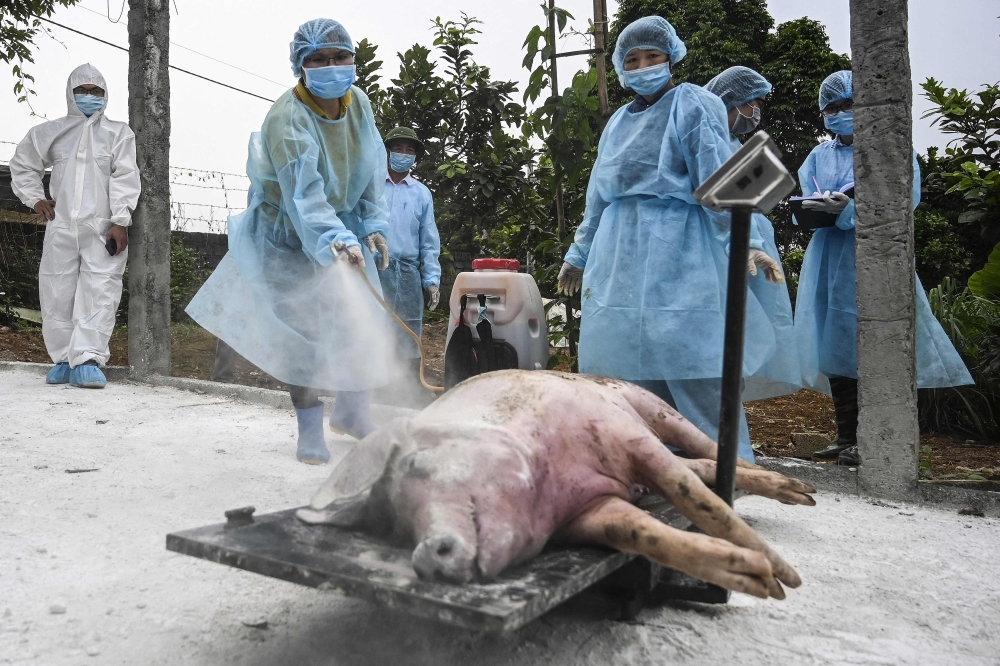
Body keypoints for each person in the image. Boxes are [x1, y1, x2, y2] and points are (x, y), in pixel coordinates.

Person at [556, 17, 788, 463]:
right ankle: (649, 473)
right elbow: (598, 194)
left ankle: (727, 474)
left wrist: (748, 239)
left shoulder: (693, 103)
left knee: (696, 365)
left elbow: (720, 174)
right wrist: (579, 252)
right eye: (633, 60)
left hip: (681, 249)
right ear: (622, 69)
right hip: (619, 254)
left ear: (671, 57)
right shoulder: (618, 122)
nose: (643, 66)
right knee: (625, 375)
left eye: (652, 57)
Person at [186, 19, 392, 465]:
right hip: (288, 236)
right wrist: (336, 238)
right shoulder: (287, 119)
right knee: (304, 333)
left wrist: (373, 222)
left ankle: (354, 415)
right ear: (300, 66)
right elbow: (305, 199)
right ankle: (310, 426)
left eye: (340, 57)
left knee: (362, 324)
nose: (332, 67)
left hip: (342, 226)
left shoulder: (358, 103)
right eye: (318, 60)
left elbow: (372, 164)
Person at [794, 70, 973, 466]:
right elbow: (803, 202)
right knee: (834, 348)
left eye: (849, 105)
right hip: (827, 260)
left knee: (870, 345)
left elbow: (903, 202)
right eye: (833, 108)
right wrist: (813, 210)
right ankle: (845, 437)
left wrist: (851, 210)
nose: (841, 113)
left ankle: (874, 437)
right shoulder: (818, 155)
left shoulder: (892, 150)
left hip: (874, 256)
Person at [10, 63, 139, 390]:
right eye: (82, 90)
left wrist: (121, 220)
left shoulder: (118, 134)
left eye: (96, 92)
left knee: (101, 288)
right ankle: (64, 359)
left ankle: (89, 359)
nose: (89, 97)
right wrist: (35, 199)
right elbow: (23, 164)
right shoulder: (51, 132)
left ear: (106, 95)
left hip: (103, 228)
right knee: (57, 290)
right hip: (61, 225)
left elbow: (125, 177)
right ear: (70, 93)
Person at [704, 66, 801, 400]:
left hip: (747, 251)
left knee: (744, 339)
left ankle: (731, 425)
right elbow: (719, 205)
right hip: (721, 253)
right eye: (752, 103)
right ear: (732, 100)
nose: (755, 112)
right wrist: (748, 243)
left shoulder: (733, 143)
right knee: (720, 341)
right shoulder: (707, 141)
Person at [378, 126, 441, 379]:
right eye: (398, 148)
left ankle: (407, 389)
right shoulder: (371, 186)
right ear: (388, 152)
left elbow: (428, 240)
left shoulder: (421, 193)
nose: (403, 154)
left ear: (415, 157)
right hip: (374, 268)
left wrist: (432, 281)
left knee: (408, 330)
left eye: (409, 150)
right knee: (373, 326)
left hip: (406, 273)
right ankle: (373, 386)